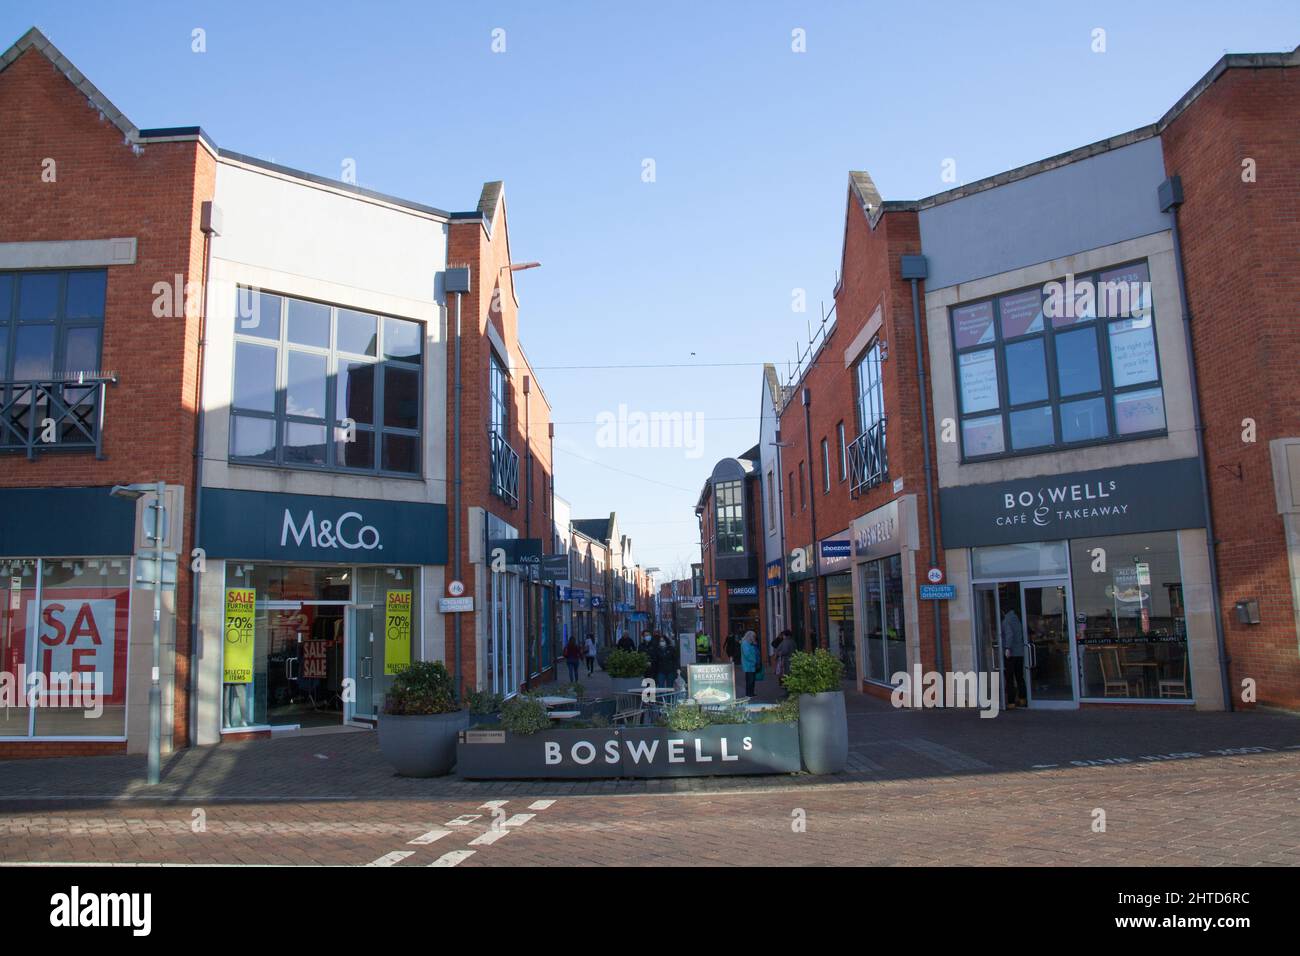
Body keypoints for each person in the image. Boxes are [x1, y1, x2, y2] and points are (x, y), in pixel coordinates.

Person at [1001, 607, 1026, 708]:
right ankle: (1022, 699)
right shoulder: (1017, 619)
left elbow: (1009, 634)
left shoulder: (1006, 620)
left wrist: (1007, 648)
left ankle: (1011, 702)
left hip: (1011, 654)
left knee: (1009, 678)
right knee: (1020, 677)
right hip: (1020, 652)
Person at [740, 630, 760, 697]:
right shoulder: (745, 643)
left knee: (752, 680)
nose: (754, 637)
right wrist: (754, 660)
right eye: (753, 636)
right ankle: (748, 693)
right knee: (750, 680)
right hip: (748, 665)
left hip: (751, 664)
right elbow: (747, 654)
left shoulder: (750, 643)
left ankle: (751, 692)